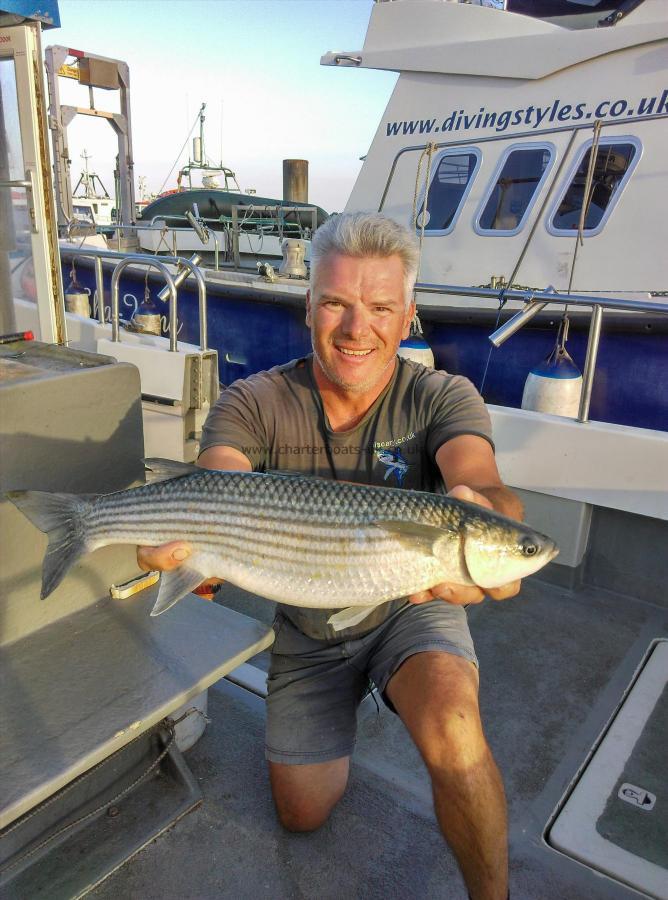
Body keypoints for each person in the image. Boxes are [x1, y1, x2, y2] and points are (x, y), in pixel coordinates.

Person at [138, 212, 523, 900]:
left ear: (407, 317)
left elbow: (483, 480)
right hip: (309, 625)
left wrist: (491, 516)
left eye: (379, 307)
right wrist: (185, 545)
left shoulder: (441, 395)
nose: (356, 327)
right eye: (337, 303)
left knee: (455, 734)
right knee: (303, 814)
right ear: (309, 306)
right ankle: (344, 704)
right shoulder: (253, 400)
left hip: (409, 603)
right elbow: (218, 477)